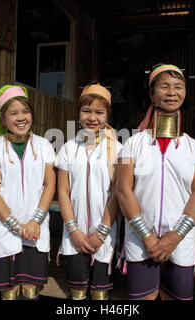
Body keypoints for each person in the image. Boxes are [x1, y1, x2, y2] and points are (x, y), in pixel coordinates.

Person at [116, 64, 195, 300]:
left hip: (180, 240)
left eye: (178, 87)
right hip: (140, 240)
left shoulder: (192, 147)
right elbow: (124, 191)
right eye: (164, 86)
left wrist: (175, 237)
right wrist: (147, 236)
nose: (172, 92)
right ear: (151, 94)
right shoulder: (134, 143)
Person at [0, 85, 56, 300]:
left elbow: (49, 185)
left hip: (36, 230)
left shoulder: (43, 146)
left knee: (31, 289)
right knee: (10, 291)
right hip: (6, 232)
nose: (21, 118)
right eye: (13, 113)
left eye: (25, 111)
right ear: (3, 119)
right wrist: (17, 226)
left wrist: (35, 221)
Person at [56, 82, 121, 300]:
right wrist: (73, 230)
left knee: (99, 293)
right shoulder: (68, 148)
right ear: (79, 113)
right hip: (74, 233)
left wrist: (101, 232)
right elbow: (63, 191)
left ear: (108, 115)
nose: (92, 117)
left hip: (105, 235)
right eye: (86, 111)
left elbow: (116, 193)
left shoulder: (117, 149)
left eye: (99, 112)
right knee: (77, 292)